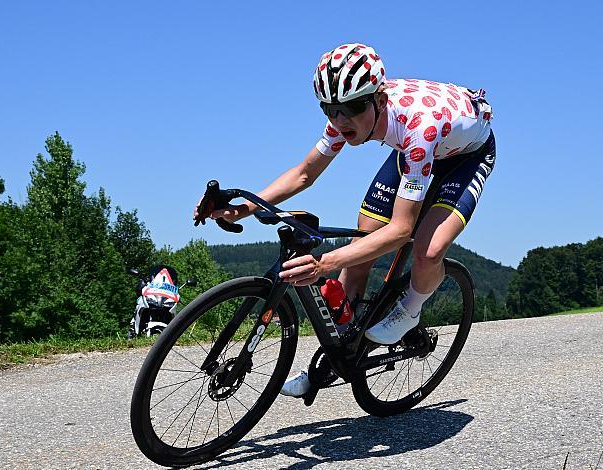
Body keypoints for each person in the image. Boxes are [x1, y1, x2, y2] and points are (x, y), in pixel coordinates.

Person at [195, 43, 496, 397]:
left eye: (350, 110)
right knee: (360, 251)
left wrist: (323, 264)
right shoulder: (347, 118)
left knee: (426, 251)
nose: (340, 121)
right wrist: (244, 208)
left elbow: (401, 230)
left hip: (462, 157)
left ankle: (410, 310)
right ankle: (337, 357)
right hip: (415, 154)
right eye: (330, 110)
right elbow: (305, 174)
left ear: (379, 101)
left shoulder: (418, 128)